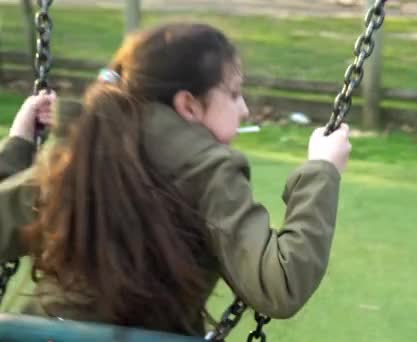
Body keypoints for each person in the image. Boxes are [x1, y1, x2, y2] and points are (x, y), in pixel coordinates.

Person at [0, 22, 351, 335]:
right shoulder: (209, 171)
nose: (244, 108)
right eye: (232, 94)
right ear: (189, 106)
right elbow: (280, 283)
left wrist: (18, 147)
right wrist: (322, 170)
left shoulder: (80, 150)